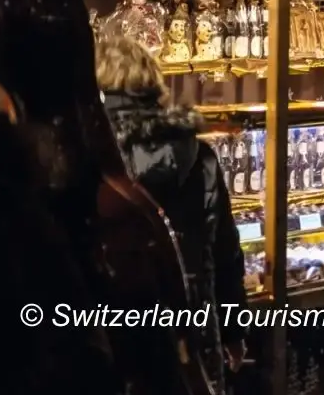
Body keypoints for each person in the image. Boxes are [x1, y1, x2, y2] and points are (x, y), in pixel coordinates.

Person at [94, 34, 247, 391]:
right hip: (194, 345)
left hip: (123, 344)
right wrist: (234, 332)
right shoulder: (199, 157)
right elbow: (226, 254)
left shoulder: (93, 157)